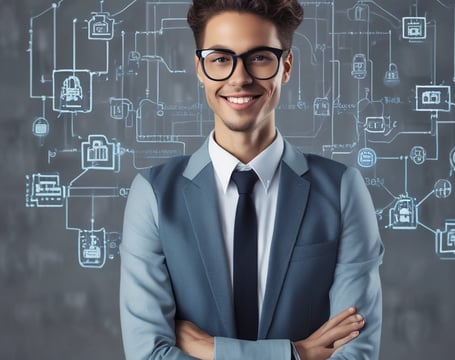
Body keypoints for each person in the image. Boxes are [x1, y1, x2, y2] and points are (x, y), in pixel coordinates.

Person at [119, 0, 384, 359]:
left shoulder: (341, 191)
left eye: (259, 57)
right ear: (200, 68)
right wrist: (296, 353)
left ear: (286, 66)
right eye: (220, 58)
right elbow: (149, 355)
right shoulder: (153, 195)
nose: (239, 77)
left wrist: (210, 349)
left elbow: (355, 354)